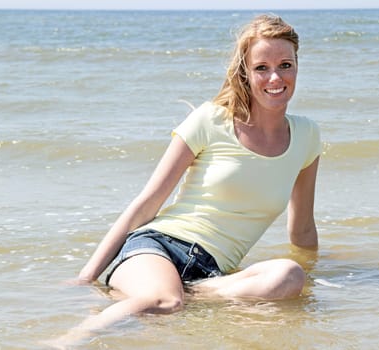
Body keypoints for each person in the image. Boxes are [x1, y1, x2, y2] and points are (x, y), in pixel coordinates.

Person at [47, 14, 321, 348]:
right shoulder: (211, 119)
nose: (275, 77)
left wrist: (320, 274)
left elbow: (303, 228)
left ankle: (186, 289)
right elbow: (147, 203)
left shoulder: (307, 135)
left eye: (285, 65)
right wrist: (86, 277)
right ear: (245, 73)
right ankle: (60, 344)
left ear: (297, 67)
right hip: (157, 248)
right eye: (261, 67)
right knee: (166, 302)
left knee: (290, 276)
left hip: (212, 276)